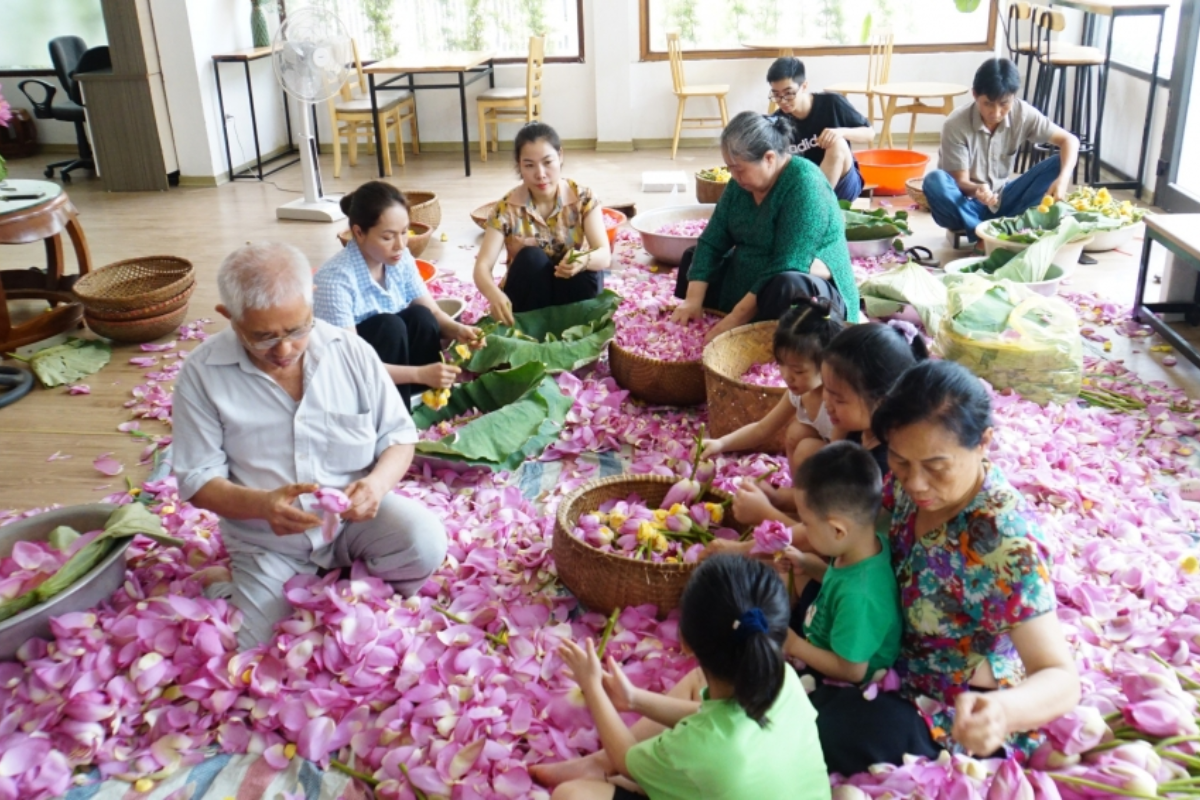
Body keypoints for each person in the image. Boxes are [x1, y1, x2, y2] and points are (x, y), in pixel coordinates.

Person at [808, 360, 1079, 776]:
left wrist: (1001, 712)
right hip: (883, 647)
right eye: (899, 462)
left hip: (942, 705)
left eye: (936, 467)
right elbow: (853, 531)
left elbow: (1060, 676)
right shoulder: (910, 484)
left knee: (815, 725)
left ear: (983, 442)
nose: (914, 484)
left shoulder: (1006, 543)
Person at [173, 243, 449, 649]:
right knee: (258, 645)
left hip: (353, 522)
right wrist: (262, 506)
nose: (284, 351)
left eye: (297, 329)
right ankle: (229, 586)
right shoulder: (202, 375)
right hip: (267, 538)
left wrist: (373, 487)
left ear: (311, 302)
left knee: (423, 542)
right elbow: (198, 479)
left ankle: (330, 583)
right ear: (228, 317)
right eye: (263, 337)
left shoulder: (351, 351)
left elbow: (399, 438)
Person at [539, 555, 830, 800]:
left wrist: (592, 687)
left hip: (715, 766)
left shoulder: (697, 748)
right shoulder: (785, 678)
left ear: (685, 642)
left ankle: (602, 767)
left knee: (570, 795)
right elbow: (717, 722)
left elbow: (626, 760)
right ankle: (595, 764)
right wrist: (634, 700)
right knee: (697, 684)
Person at [670, 111, 860, 345]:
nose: (734, 176)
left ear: (769, 158)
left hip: (806, 283)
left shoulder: (806, 185)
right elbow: (712, 239)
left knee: (785, 284)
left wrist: (732, 321)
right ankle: (724, 311)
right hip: (754, 269)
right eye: (730, 168)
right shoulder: (740, 184)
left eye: (739, 169)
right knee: (694, 258)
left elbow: (788, 262)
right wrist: (692, 300)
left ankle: (763, 330)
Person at [730, 322, 926, 527]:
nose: (827, 403)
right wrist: (777, 498)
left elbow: (834, 543)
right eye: (826, 389)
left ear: (881, 402)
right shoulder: (857, 430)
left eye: (839, 399)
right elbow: (826, 499)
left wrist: (766, 514)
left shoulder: (882, 467)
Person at [314, 182, 483, 411]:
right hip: (353, 383)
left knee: (421, 316)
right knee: (389, 325)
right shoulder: (335, 280)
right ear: (359, 233)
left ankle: (426, 402)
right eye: (388, 237)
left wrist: (459, 331)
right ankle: (394, 415)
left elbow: (432, 311)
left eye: (404, 232)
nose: (401, 245)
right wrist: (420, 374)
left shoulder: (400, 259)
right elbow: (350, 363)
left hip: (393, 368)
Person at [700, 298, 846, 524]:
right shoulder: (800, 393)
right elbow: (762, 428)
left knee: (805, 446)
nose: (787, 376)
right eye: (782, 364)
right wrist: (721, 443)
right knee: (797, 432)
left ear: (828, 364)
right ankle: (802, 499)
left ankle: (812, 514)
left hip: (847, 479)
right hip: (821, 467)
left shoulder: (837, 404)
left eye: (798, 370)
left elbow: (842, 460)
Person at [782, 441, 902, 688]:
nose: (802, 528)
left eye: (806, 523)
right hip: (826, 628)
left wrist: (794, 645)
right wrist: (808, 564)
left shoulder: (861, 597)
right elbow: (840, 579)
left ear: (838, 530)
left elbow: (852, 671)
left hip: (842, 677)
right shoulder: (862, 546)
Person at [922, 58, 1081, 243]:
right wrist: (977, 189)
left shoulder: (1022, 113)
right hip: (966, 205)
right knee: (934, 180)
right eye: (988, 103)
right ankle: (983, 236)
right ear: (975, 95)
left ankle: (994, 230)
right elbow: (959, 182)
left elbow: (1070, 140)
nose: (996, 113)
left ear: (1013, 97)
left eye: (1004, 104)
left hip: (1004, 202)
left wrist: (1063, 180)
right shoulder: (956, 124)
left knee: (1059, 163)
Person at [473, 122, 612, 325]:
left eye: (547, 162)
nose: (540, 174)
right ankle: (532, 330)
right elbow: (482, 266)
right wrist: (495, 296)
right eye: (529, 165)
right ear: (519, 165)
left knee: (586, 270)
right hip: (528, 298)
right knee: (531, 258)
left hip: (569, 292)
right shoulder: (506, 209)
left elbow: (604, 254)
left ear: (560, 156)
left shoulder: (583, 197)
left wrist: (583, 261)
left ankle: (569, 326)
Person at [767, 57, 875, 202]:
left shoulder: (832, 103)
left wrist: (841, 132)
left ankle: (815, 206)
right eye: (776, 95)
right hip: (804, 188)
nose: (783, 101)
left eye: (789, 93)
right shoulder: (777, 121)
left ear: (804, 86)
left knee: (838, 143)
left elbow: (870, 133)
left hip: (843, 185)